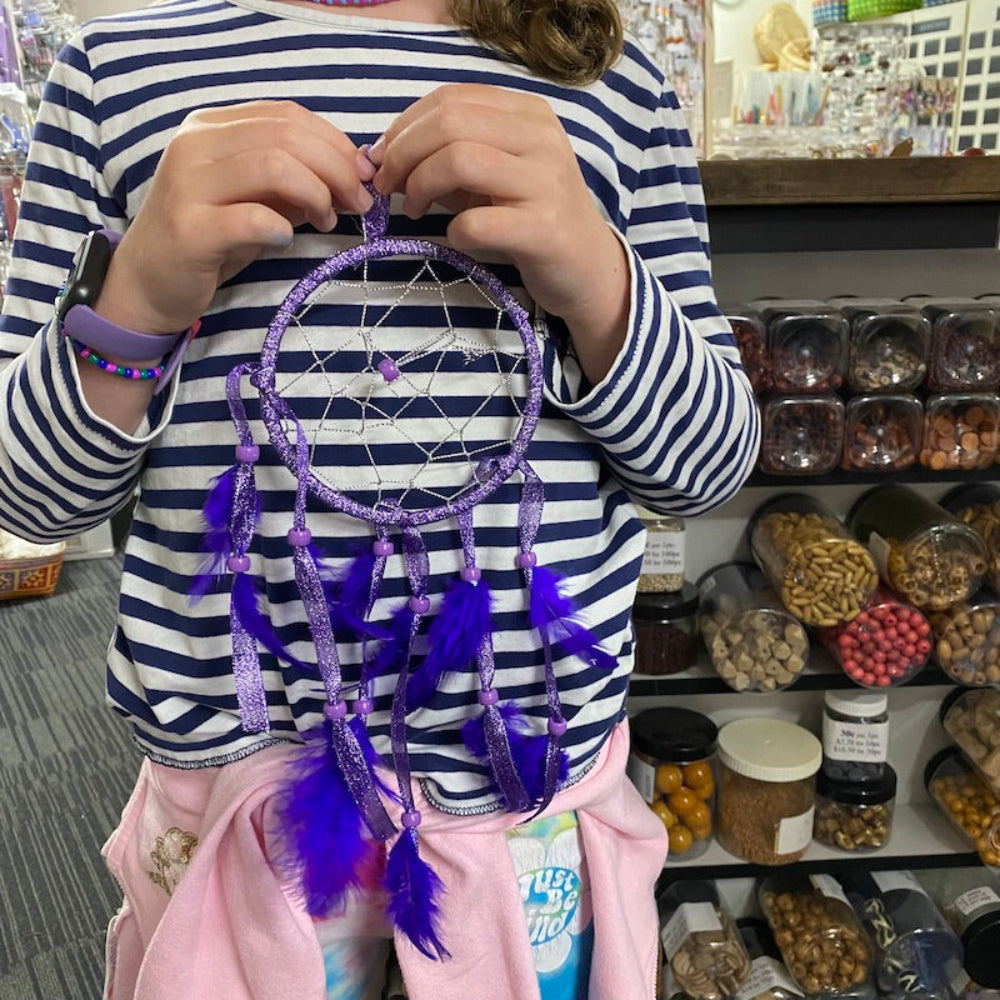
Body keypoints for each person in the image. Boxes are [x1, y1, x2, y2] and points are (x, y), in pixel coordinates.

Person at [0, 0, 760, 997]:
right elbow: (33, 492)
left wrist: (600, 283)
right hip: (244, 828)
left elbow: (703, 467)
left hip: (525, 822)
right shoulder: (118, 73)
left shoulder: (614, 89)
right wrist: (134, 298)